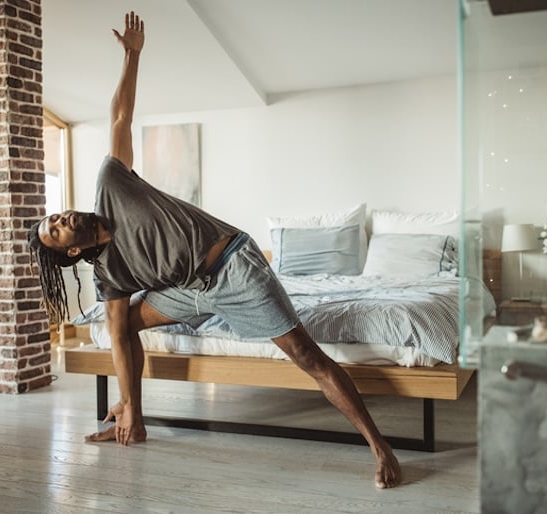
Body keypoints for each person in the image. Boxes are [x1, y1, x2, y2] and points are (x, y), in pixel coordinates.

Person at [28, 11, 401, 489]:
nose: (62, 220)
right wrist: (133, 410)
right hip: (188, 291)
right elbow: (120, 339)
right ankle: (129, 413)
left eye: (57, 216)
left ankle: (379, 445)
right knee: (120, 325)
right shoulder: (109, 277)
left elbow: (120, 115)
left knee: (307, 356)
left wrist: (132, 55)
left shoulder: (111, 184)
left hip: (231, 267)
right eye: (56, 231)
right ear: (72, 254)